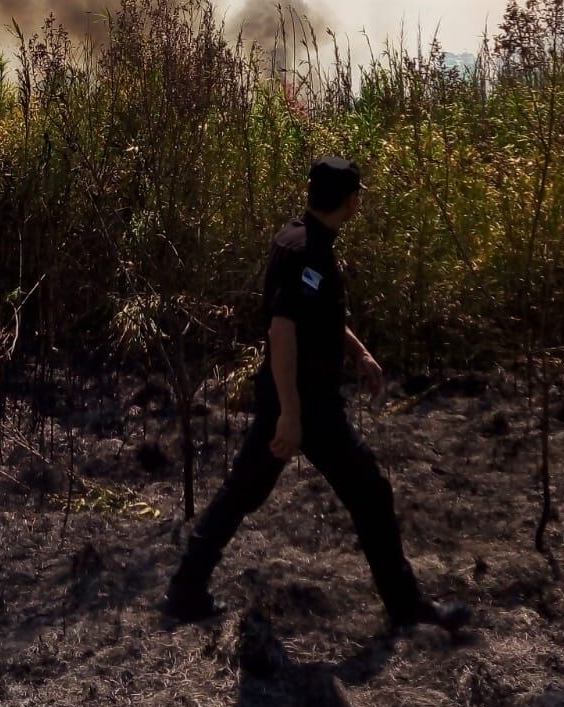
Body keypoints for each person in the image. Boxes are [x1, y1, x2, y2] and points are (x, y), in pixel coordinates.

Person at [161, 155, 470, 633]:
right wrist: (290, 414)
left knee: (243, 492)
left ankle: (184, 589)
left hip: (296, 402)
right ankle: (406, 607)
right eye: (358, 196)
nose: (359, 202)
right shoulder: (309, 252)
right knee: (368, 492)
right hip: (306, 405)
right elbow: (283, 332)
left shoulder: (296, 237)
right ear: (351, 202)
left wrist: (360, 354)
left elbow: (319, 318)